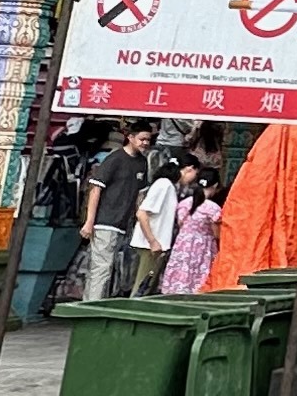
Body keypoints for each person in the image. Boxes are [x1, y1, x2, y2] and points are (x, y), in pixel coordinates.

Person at [79, 123, 152, 300]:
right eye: (142, 139)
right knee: (102, 268)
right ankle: (92, 309)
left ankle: (91, 304)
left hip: (123, 223)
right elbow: (95, 189)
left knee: (106, 269)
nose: (145, 143)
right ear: (131, 137)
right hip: (106, 221)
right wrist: (90, 221)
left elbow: (139, 196)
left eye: (148, 140)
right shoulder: (115, 159)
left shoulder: (142, 162)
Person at [159, 165, 224, 296]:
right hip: (203, 247)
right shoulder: (213, 208)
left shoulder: (184, 203)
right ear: (215, 185)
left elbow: (181, 223)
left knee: (180, 273)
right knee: (199, 279)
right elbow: (217, 233)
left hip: (183, 244)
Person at [129, 154, 181, 297]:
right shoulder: (164, 185)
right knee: (143, 285)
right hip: (151, 244)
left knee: (147, 285)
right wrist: (153, 241)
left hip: (154, 244)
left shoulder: (164, 185)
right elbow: (142, 213)